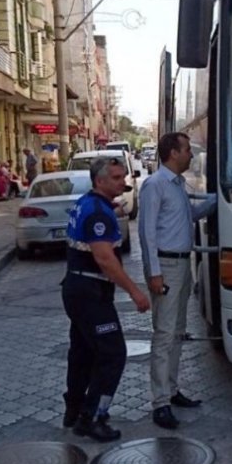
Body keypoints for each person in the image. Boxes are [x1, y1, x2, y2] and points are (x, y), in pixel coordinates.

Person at [61, 155, 150, 441]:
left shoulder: (88, 203)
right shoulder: (98, 212)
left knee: (83, 353)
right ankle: (93, 417)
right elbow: (105, 260)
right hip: (90, 294)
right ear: (99, 181)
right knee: (113, 354)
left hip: (77, 290)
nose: (122, 181)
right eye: (115, 177)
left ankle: (73, 409)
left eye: (123, 176)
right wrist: (135, 291)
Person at [138, 132, 217, 430]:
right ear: (172, 153)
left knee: (177, 332)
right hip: (167, 266)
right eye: (186, 150)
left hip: (182, 266)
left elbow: (189, 216)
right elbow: (146, 234)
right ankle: (160, 402)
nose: (191, 156)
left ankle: (171, 390)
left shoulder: (177, 185)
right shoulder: (155, 186)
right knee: (164, 334)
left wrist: (217, 200)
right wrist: (155, 273)